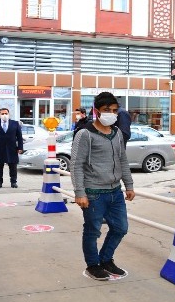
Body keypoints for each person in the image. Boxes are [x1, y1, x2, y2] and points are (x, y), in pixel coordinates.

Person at [70, 91, 135, 281]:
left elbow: (123, 160)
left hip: (115, 191)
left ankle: (106, 259)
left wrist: (129, 185)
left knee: (120, 228)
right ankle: (93, 265)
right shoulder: (85, 134)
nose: (111, 114)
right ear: (96, 111)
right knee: (92, 231)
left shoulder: (117, 134)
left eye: (114, 111)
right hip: (93, 192)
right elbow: (76, 164)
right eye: (107, 110)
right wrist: (79, 192)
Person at [0, 108, 24, 188]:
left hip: (12, 148)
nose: (4, 115)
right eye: (2, 113)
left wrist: (20, 147)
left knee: (13, 166)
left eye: (6, 113)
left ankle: (13, 182)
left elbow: (19, 137)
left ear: (9, 114)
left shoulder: (15, 123)